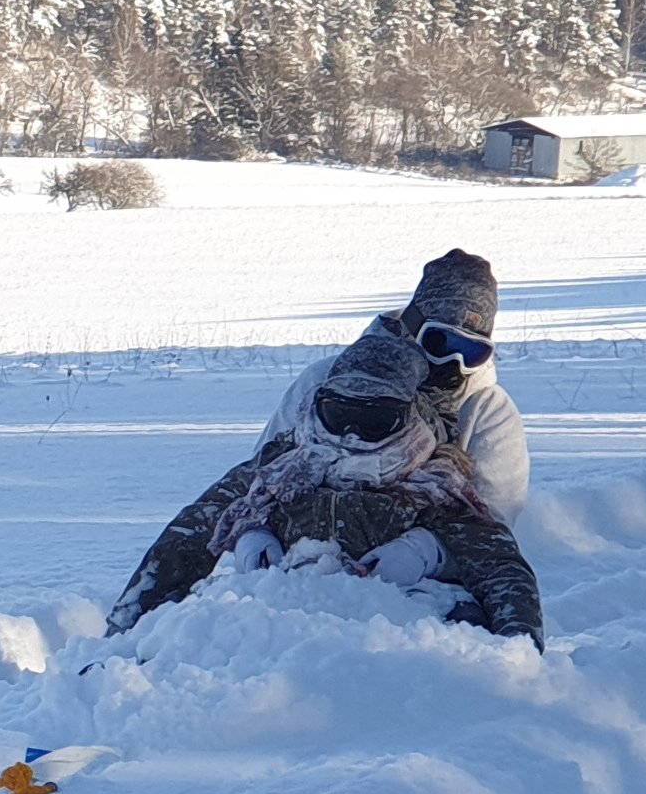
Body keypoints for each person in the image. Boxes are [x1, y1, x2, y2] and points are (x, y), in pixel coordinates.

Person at [111, 311, 545, 641]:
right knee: (191, 625)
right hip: (272, 623)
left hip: (390, 635)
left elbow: (501, 567)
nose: (351, 432)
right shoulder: (282, 463)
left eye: (373, 421)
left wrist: (519, 657)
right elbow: (188, 535)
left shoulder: (435, 481)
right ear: (316, 406)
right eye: (338, 414)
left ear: (408, 419)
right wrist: (247, 530)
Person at [261, 249, 527, 516]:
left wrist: (426, 540)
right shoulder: (323, 381)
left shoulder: (489, 411)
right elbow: (263, 472)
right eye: (439, 341)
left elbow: (495, 517)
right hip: (304, 530)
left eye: (473, 351)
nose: (454, 362)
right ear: (411, 326)